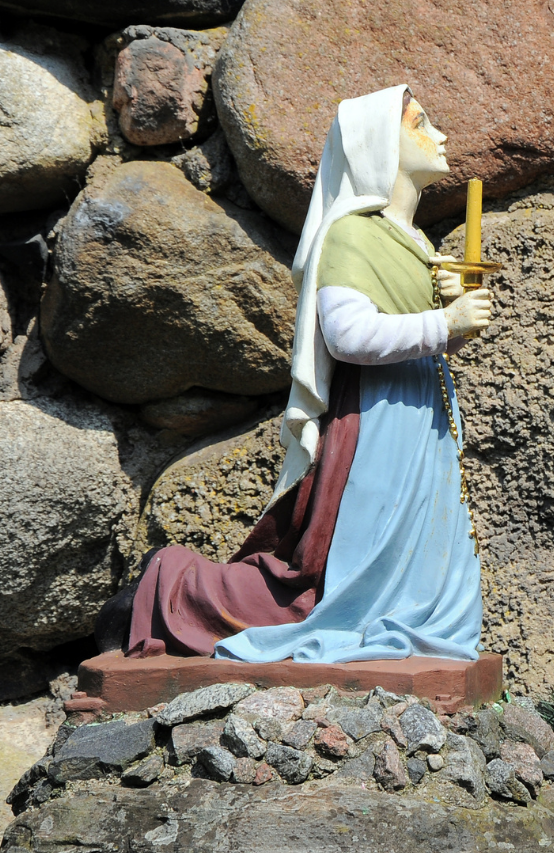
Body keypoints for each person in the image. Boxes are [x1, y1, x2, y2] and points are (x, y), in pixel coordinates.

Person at [95, 84, 493, 662]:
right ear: (381, 143)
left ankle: (409, 640)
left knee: (411, 562)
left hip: (419, 421)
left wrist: (448, 309)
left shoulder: (415, 242)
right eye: (421, 124)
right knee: (341, 580)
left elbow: (416, 332)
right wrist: (443, 322)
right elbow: (349, 336)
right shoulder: (353, 233)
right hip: (376, 426)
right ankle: (171, 592)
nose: (441, 136)